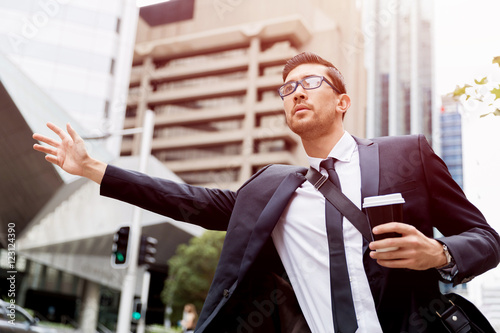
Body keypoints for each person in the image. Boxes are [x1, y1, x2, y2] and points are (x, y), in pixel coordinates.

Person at [33, 52, 500, 333]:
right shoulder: (274, 190)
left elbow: (485, 237)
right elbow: (190, 201)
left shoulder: (406, 155)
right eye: (288, 88)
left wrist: (438, 253)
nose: (296, 92)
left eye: (311, 83)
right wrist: (94, 169)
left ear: (342, 102)